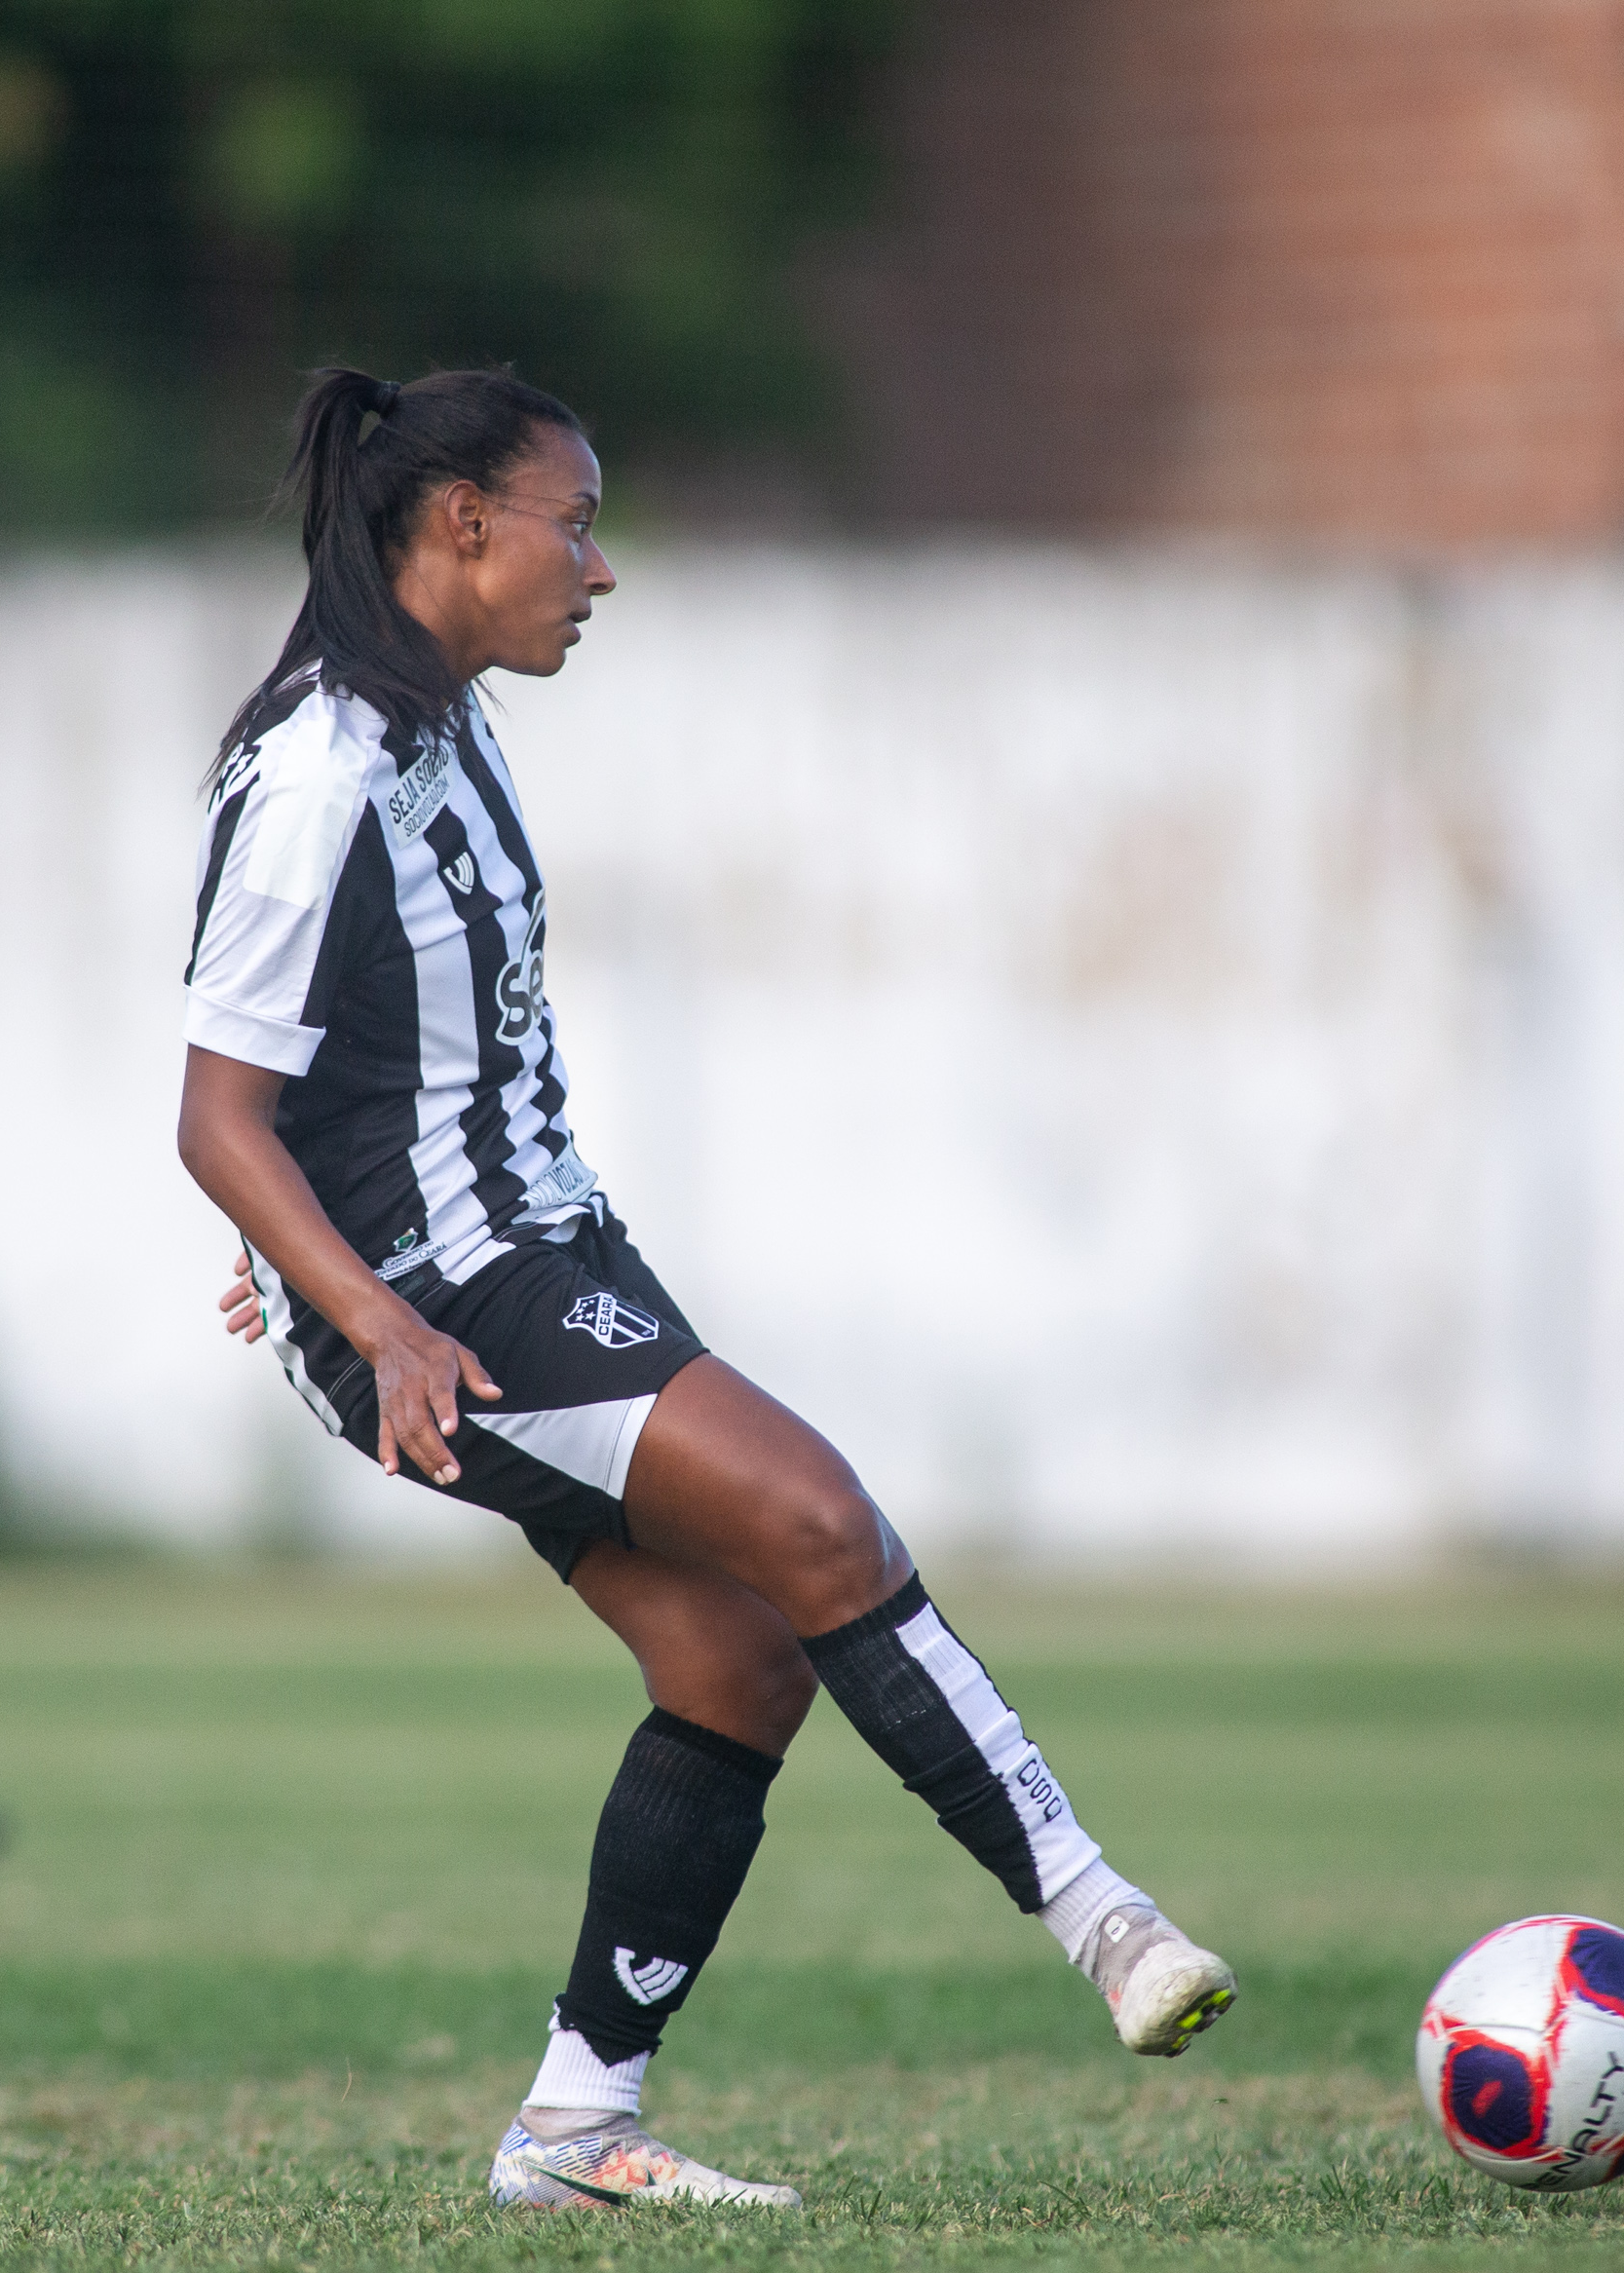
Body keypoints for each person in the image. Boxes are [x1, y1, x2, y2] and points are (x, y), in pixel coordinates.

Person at [179, 368, 1235, 2212]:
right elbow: (216, 1112)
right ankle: (1105, 1918)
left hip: (539, 1253)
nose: (599, 568)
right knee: (821, 1520)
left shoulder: (443, 724)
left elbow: (350, 1060)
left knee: (737, 1655)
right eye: (573, 524)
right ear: (460, 526)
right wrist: (362, 1308)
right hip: (448, 1307)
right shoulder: (319, 764)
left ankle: (575, 2130)